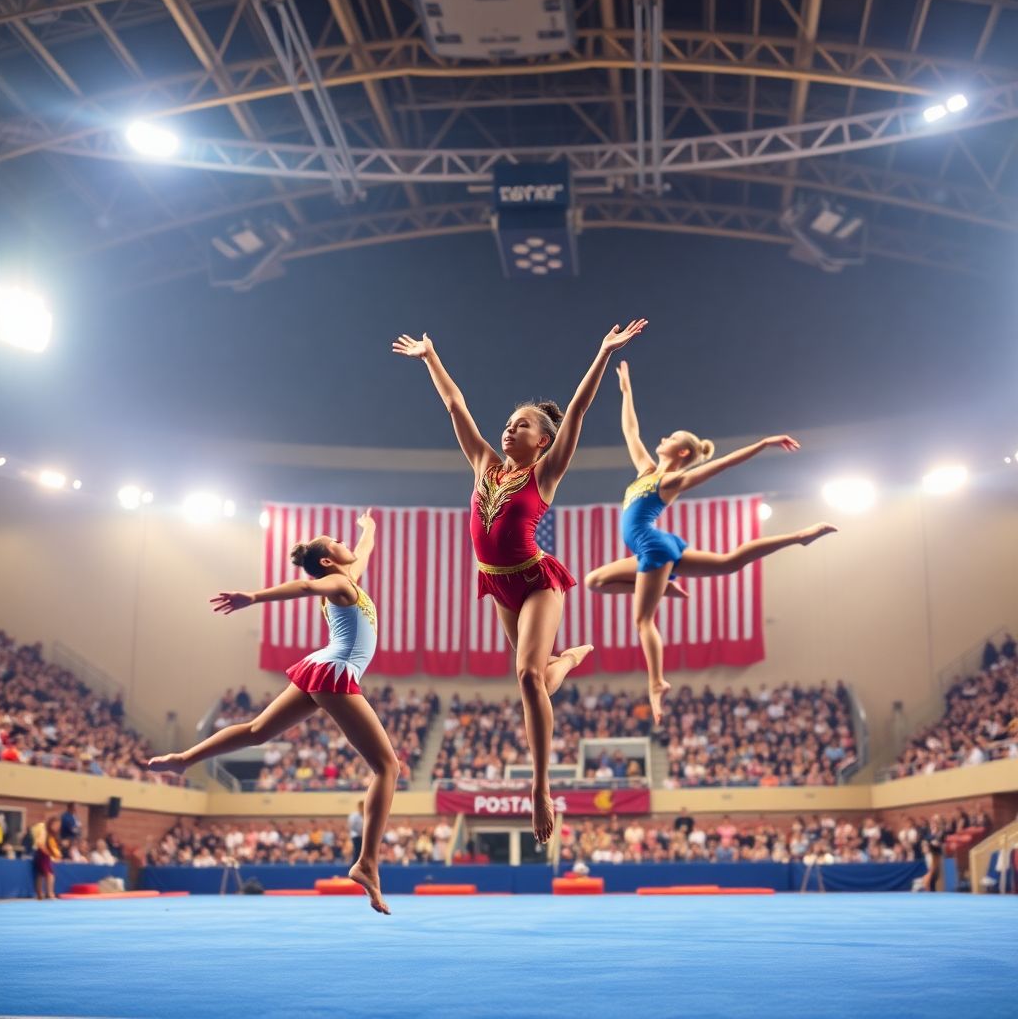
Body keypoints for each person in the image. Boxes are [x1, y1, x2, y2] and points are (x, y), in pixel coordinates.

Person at [394, 319, 647, 842]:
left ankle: (540, 787)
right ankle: (567, 659)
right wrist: (430, 358)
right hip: (496, 583)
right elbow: (455, 406)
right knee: (533, 675)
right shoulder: (484, 463)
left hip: (535, 582)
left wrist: (601, 352)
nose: (510, 430)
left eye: (523, 426)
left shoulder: (545, 473)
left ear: (544, 441)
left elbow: (576, 411)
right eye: (509, 423)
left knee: (529, 678)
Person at [144, 509, 397, 915]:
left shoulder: (348, 580)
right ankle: (367, 861)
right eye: (336, 542)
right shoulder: (336, 583)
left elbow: (363, 549)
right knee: (388, 768)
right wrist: (254, 597)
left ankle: (184, 760)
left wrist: (368, 528)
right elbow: (303, 584)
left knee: (258, 730)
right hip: (336, 670)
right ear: (329, 561)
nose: (346, 544)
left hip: (322, 665)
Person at [585, 360, 837, 722]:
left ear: (682, 454)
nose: (661, 440)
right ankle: (798, 538)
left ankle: (656, 682)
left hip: (653, 549)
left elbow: (723, 465)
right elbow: (631, 431)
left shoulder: (669, 481)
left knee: (643, 621)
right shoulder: (645, 471)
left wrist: (763, 443)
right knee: (724, 563)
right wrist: (626, 391)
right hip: (654, 547)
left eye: (670, 439)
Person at [31, 815, 62, 900]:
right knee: (49, 875)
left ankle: (41, 894)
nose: (57, 827)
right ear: (51, 824)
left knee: (42, 874)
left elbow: (53, 847)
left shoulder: (53, 835)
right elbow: (40, 844)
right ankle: (49, 893)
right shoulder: (44, 831)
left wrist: (54, 855)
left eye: (59, 826)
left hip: (46, 855)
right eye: (56, 825)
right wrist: (49, 853)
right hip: (42, 855)